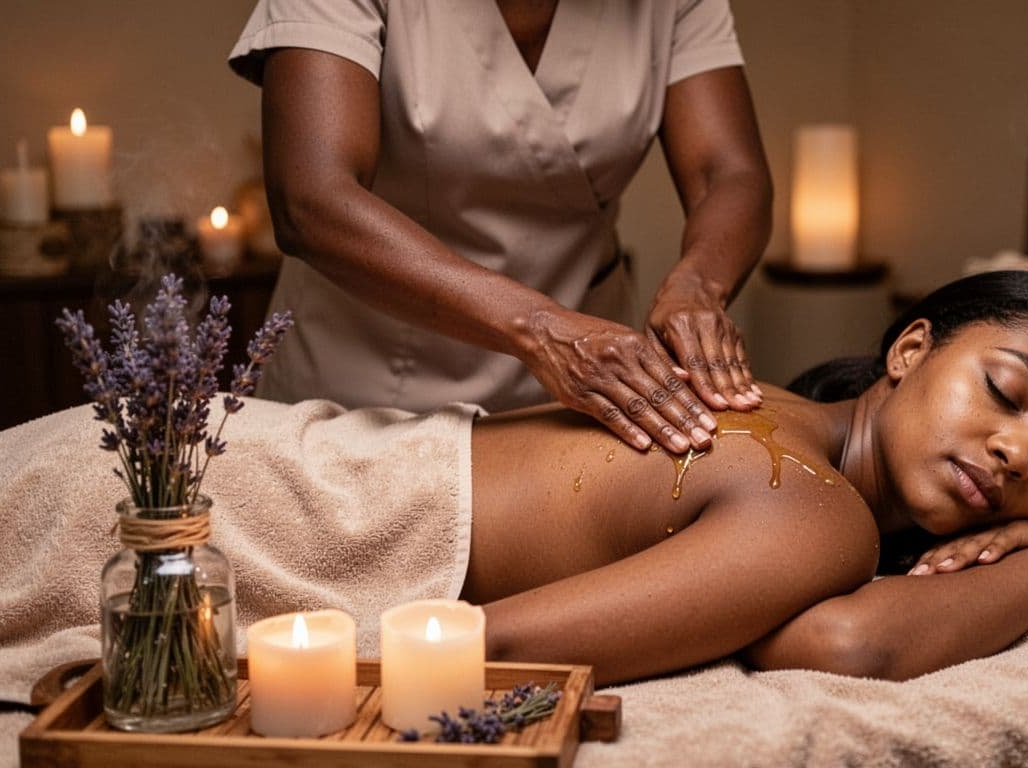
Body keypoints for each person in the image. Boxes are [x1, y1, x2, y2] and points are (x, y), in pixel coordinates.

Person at [465, 270, 1028, 683]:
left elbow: (799, 631)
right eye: (1006, 393)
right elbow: (847, 643)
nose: (1015, 451)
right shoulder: (812, 505)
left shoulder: (780, 417)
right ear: (910, 350)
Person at [226, 1, 773, 457]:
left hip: (585, 395)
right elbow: (312, 198)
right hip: (364, 393)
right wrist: (540, 329)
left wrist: (697, 285)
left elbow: (727, 172)